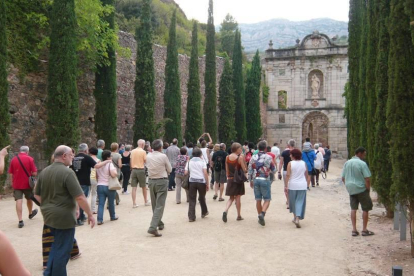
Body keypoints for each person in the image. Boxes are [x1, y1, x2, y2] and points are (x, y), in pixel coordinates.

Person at [34, 145, 95, 276]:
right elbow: (79, 196)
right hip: (64, 218)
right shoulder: (67, 172)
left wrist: (47, 206)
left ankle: (48, 273)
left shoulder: (44, 171)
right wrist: (90, 214)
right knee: (62, 251)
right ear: (64, 156)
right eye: (71, 155)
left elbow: (36, 195)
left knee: (56, 247)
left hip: (49, 216)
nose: (73, 158)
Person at [71, 143, 109, 226]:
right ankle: (79, 218)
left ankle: (82, 215)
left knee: (78, 199)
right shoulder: (86, 157)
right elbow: (97, 166)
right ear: (86, 150)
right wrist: (106, 161)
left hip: (75, 181)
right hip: (84, 181)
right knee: (82, 199)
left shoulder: (74, 158)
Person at [342, 147, 374, 237]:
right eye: (364, 154)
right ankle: (364, 229)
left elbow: (343, 178)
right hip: (361, 188)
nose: (364, 156)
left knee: (353, 208)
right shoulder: (362, 163)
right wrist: (368, 189)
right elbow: (367, 178)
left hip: (351, 189)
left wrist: (348, 186)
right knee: (365, 209)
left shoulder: (347, 163)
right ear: (359, 153)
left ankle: (354, 230)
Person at [146, 139, 172, 237]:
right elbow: (169, 169)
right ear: (161, 147)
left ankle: (159, 223)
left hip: (151, 181)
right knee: (160, 205)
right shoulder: (163, 156)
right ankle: (153, 227)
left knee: (155, 204)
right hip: (162, 180)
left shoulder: (148, 156)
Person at [8, 146, 38, 228]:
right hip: (27, 184)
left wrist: (12, 183)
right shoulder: (30, 159)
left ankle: (20, 220)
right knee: (29, 198)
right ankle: (30, 213)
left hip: (17, 184)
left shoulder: (13, 159)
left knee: (18, 200)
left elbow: (11, 173)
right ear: (27, 152)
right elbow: (34, 173)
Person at [248, 141, 276, 226]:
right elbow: (274, 169)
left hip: (256, 179)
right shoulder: (269, 157)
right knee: (267, 199)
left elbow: (250, 170)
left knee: (258, 199)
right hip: (265, 179)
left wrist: (250, 180)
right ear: (265, 148)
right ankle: (262, 214)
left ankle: (259, 215)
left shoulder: (253, 157)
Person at [222, 143, 247, 222]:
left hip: (230, 179)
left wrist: (228, 177)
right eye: (240, 148)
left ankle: (225, 210)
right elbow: (244, 169)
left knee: (231, 198)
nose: (241, 150)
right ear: (237, 149)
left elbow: (227, 170)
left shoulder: (227, 157)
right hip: (238, 180)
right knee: (238, 197)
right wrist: (243, 160)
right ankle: (239, 215)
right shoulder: (239, 158)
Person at [286, 148, 310, 228]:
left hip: (293, 185)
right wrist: (305, 182)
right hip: (302, 185)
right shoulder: (304, 163)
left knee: (293, 202)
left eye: (291, 154)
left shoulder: (290, 163)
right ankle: (297, 218)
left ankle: (295, 217)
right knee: (299, 201)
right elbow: (306, 174)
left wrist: (286, 185)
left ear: (293, 155)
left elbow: (288, 175)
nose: (290, 155)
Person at [186, 147, 209, 222]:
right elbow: (205, 173)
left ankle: (191, 217)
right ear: (200, 154)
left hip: (192, 182)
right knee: (202, 197)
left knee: (192, 199)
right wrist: (207, 183)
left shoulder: (189, 162)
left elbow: (185, 172)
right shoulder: (202, 162)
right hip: (201, 182)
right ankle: (204, 212)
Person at [96, 150, 119, 225]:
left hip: (100, 185)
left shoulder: (99, 164)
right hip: (108, 185)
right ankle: (112, 216)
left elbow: (96, 176)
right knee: (111, 202)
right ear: (108, 157)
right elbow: (113, 174)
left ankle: (100, 219)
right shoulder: (110, 164)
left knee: (101, 203)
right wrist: (115, 171)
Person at [130, 139, 151, 207]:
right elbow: (145, 161)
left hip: (133, 169)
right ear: (142, 144)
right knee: (144, 186)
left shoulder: (132, 151)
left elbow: (130, 161)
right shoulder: (143, 152)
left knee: (134, 187)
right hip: (141, 169)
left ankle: (134, 203)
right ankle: (145, 201)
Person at [279, 139, 295, 209]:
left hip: (286, 170)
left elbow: (281, 162)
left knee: (286, 186)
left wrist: (279, 171)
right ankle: (292, 201)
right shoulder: (296, 152)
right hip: (294, 171)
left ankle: (288, 201)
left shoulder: (284, 152)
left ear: (288, 145)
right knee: (293, 186)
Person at [88, 147, 100, 214]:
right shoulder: (98, 160)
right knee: (94, 194)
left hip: (87, 177)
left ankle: (84, 209)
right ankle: (93, 209)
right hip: (94, 178)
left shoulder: (87, 159)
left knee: (86, 194)